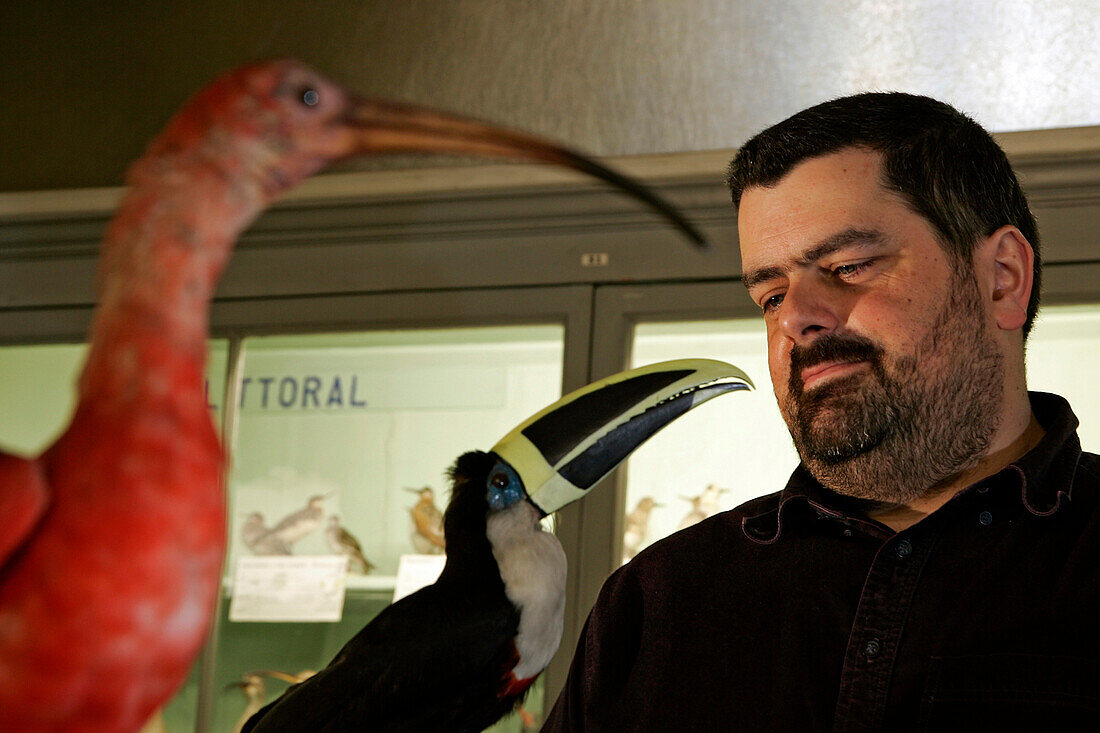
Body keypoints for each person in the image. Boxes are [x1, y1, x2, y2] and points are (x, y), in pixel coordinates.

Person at [541, 93, 1100, 731]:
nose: (796, 317)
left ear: (1002, 277)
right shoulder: (660, 598)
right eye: (770, 293)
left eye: (848, 266)